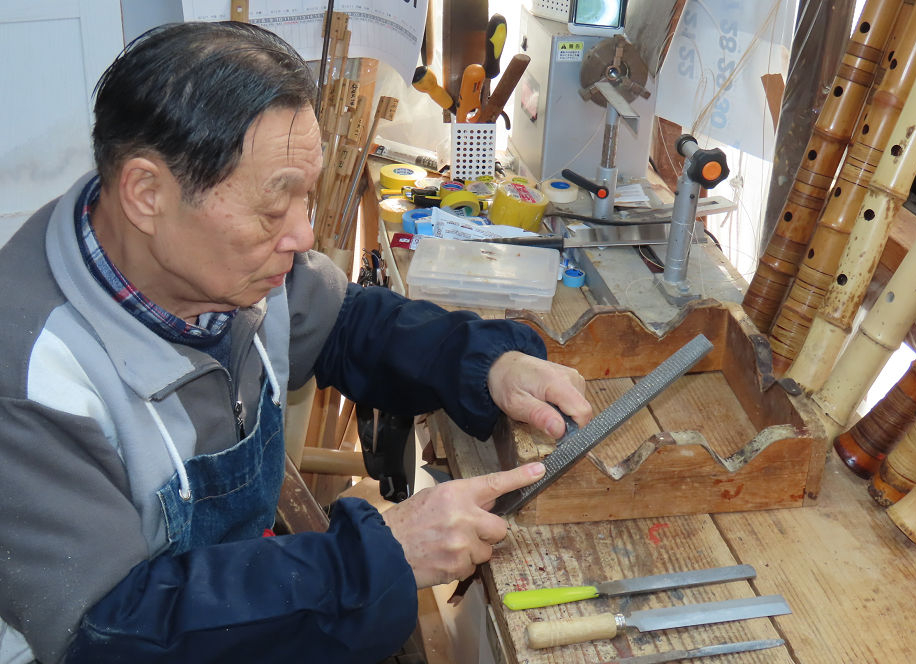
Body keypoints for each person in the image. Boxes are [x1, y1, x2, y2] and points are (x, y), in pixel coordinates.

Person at [0, 21, 592, 664]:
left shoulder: (230, 274)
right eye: (272, 207)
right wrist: (372, 560)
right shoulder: (31, 373)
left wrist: (484, 363)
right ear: (147, 194)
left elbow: (350, 325)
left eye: (305, 197)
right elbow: (111, 633)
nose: (304, 236)